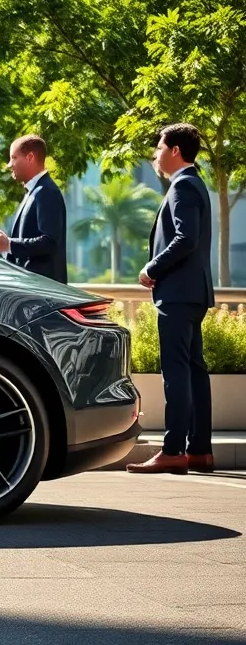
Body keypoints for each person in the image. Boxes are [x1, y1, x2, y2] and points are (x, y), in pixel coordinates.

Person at [128, 123, 216, 475]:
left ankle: (173, 450)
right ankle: (199, 451)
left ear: (175, 150)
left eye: (159, 148)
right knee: (195, 370)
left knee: (176, 372)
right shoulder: (194, 184)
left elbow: (185, 239)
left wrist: (152, 268)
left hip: (178, 294)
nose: (155, 155)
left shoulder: (183, 187)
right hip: (191, 293)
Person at [0, 134, 68, 284]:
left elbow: (50, 242)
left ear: (30, 158)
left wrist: (9, 244)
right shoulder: (34, 191)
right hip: (31, 288)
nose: (9, 164)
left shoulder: (47, 192)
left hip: (43, 291)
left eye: (14, 158)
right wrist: (5, 247)